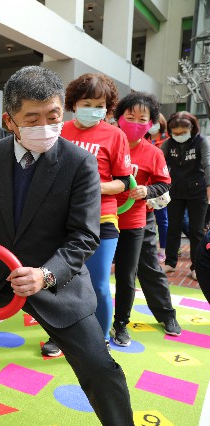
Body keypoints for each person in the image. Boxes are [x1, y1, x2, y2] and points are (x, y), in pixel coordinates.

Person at [0, 66, 133, 425]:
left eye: (54, 116)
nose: (45, 125)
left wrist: (46, 275)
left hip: (55, 278)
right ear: (9, 120)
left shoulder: (80, 163)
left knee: (99, 366)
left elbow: (85, 236)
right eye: (32, 117)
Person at [45, 72, 132, 356]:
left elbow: (124, 182)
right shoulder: (60, 130)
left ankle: (99, 339)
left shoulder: (115, 135)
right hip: (62, 219)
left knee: (98, 285)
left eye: (100, 103)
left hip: (102, 219)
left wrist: (94, 185)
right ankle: (59, 336)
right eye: (86, 102)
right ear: (73, 103)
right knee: (59, 279)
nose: (93, 108)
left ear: (108, 106)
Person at [111, 92, 180, 347]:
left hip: (140, 219)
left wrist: (146, 191)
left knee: (147, 268)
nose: (136, 123)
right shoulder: (108, 143)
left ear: (151, 122)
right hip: (103, 218)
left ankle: (166, 315)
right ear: (119, 118)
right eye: (130, 117)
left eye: (143, 119)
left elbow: (163, 184)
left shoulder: (153, 153)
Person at [161, 112, 210, 281]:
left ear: (192, 128)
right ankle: (170, 262)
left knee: (197, 231)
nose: (179, 136)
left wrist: (209, 186)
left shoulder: (201, 142)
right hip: (175, 191)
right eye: (176, 133)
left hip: (198, 191)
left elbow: (207, 163)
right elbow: (159, 163)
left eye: (183, 132)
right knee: (173, 228)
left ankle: (196, 267)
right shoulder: (168, 144)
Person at [148, 113, 170, 262]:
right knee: (148, 219)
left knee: (162, 219)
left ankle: (163, 249)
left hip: (160, 186)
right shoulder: (144, 139)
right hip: (145, 186)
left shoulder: (167, 141)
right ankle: (150, 248)